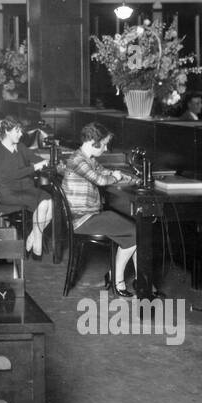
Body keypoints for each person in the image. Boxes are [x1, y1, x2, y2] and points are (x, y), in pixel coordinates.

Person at [58, 122, 139, 296]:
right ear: (93, 141)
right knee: (136, 231)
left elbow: (104, 172)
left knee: (135, 231)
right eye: (104, 144)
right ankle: (117, 281)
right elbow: (101, 180)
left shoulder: (87, 159)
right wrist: (115, 178)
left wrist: (123, 176)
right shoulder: (77, 160)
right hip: (82, 219)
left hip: (88, 215)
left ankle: (131, 280)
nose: (105, 148)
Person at [0, 117, 55, 257]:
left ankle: (33, 237)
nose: (21, 135)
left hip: (25, 189)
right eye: (17, 131)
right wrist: (34, 167)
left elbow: (34, 157)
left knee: (50, 201)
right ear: (7, 132)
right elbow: (12, 175)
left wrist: (44, 161)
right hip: (9, 193)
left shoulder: (20, 147)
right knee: (43, 202)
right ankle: (37, 245)